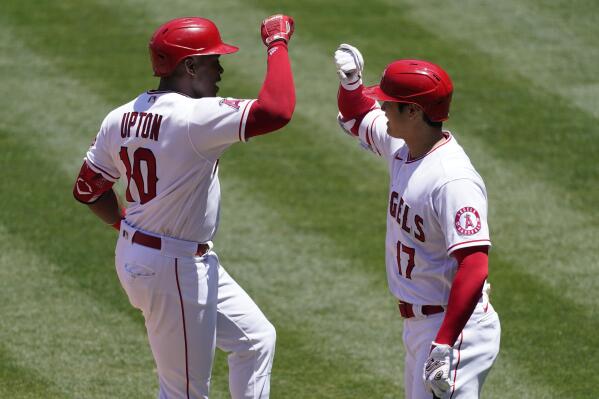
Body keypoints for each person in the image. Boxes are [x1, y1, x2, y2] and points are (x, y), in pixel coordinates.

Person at [72, 15, 295, 399]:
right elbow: (276, 110)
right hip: (172, 267)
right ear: (189, 67)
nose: (221, 68)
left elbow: (88, 188)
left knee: (256, 340)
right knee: (184, 393)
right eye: (213, 60)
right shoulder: (194, 116)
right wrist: (277, 44)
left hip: (157, 255)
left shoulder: (120, 116)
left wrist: (132, 231)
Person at [333, 44, 500, 398]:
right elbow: (356, 116)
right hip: (423, 327)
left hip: (455, 328)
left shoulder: (452, 179)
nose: (380, 106)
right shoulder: (404, 144)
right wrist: (351, 83)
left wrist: (444, 342)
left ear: (413, 110)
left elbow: (474, 264)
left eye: (389, 103)